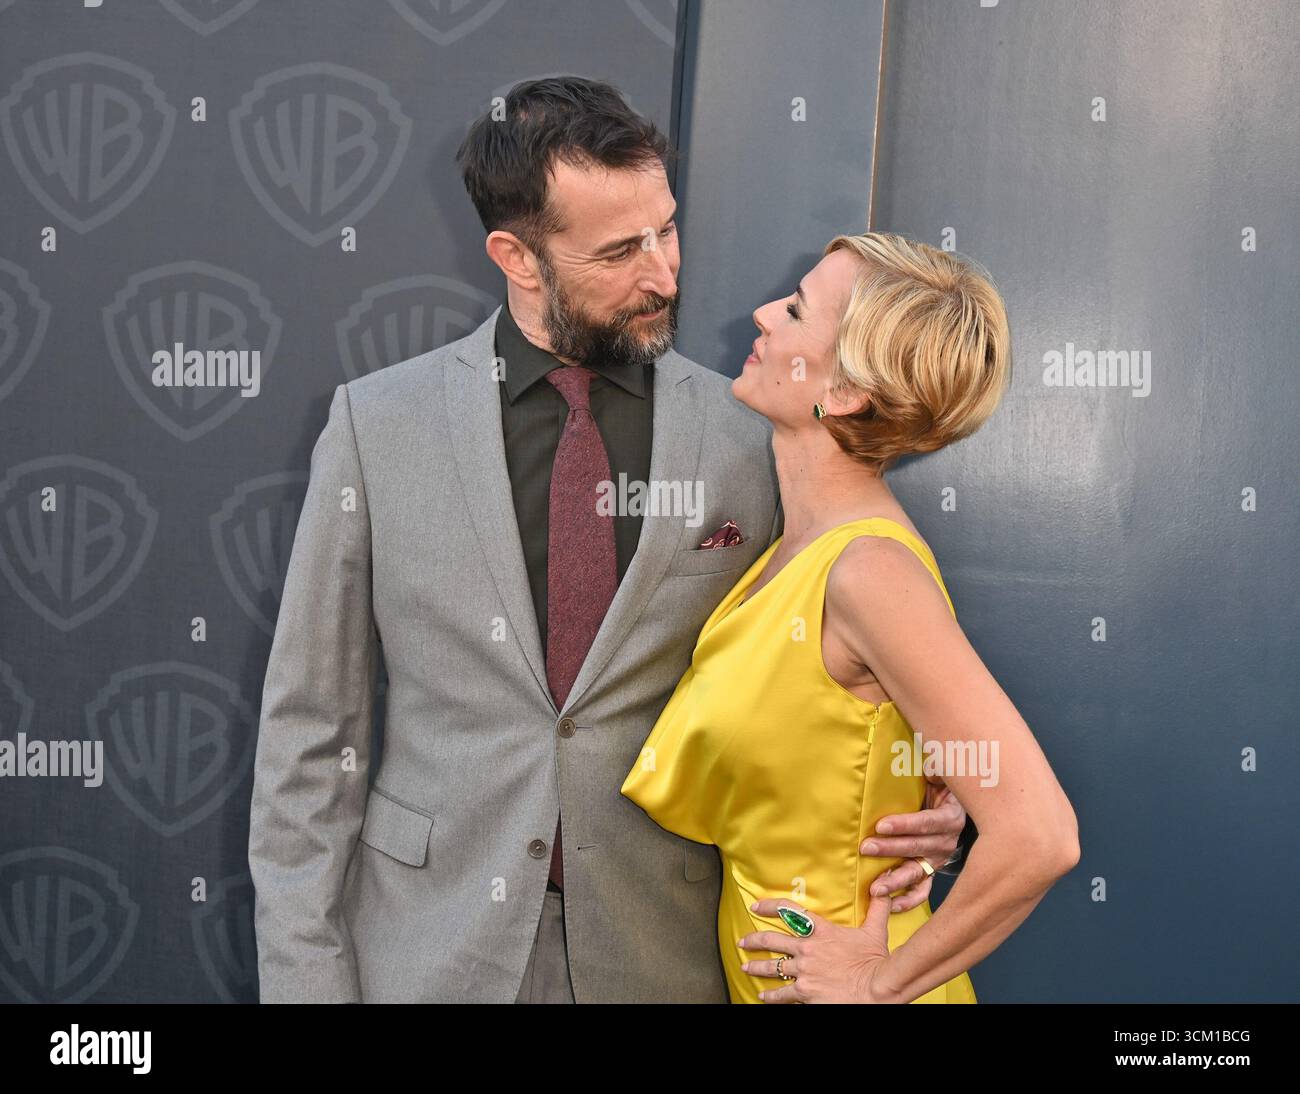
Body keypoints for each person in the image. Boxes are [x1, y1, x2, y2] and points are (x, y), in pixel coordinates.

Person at [247, 77, 972, 1004]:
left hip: (669, 955)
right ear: (516, 253)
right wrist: (306, 987)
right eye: (622, 248)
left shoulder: (758, 435)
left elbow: (859, 657)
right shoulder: (376, 428)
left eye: (667, 229)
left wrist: (931, 790)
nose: (665, 272)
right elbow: (311, 736)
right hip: (427, 956)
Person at [621, 232, 1081, 1003]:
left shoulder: (870, 573)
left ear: (842, 394)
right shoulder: (800, 547)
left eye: (796, 309)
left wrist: (878, 985)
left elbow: (1041, 835)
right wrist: (932, 794)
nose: (763, 314)